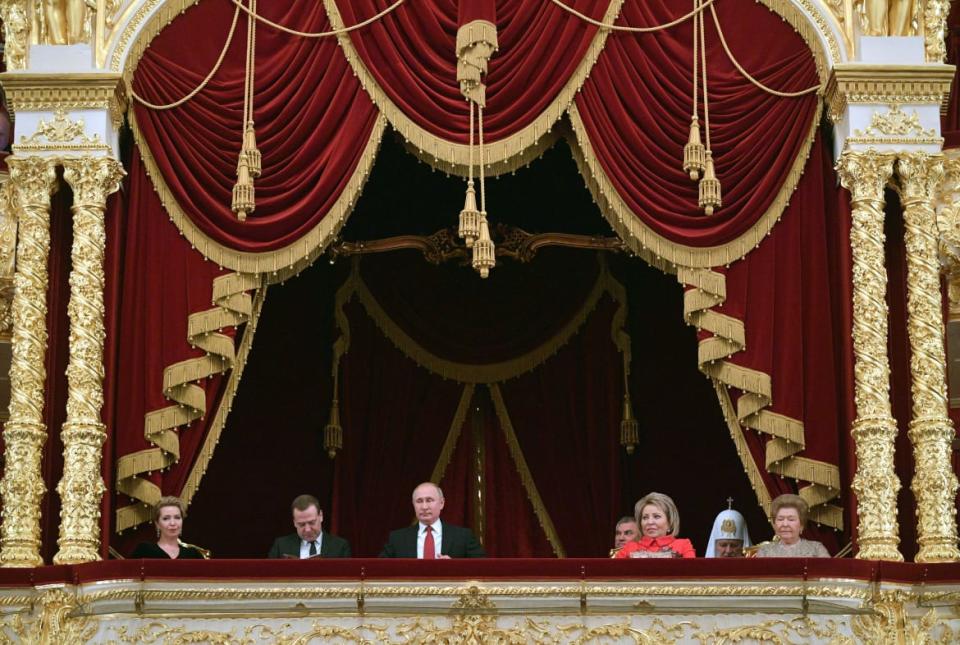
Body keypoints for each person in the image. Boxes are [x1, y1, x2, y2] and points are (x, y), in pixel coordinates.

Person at [380, 482, 485, 558]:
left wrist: (455, 567)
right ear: (413, 505)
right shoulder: (397, 539)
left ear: (441, 503)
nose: (424, 507)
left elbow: (482, 567)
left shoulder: (463, 536)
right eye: (419, 501)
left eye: (429, 500)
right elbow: (379, 569)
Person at [614, 492, 695, 559]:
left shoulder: (683, 545)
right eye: (645, 517)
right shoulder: (629, 547)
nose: (650, 522)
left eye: (656, 516)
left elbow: (692, 572)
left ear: (670, 522)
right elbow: (614, 573)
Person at [268, 494, 351, 558]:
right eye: (301, 524)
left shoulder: (340, 547)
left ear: (321, 516)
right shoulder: (281, 546)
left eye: (312, 522)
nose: (307, 529)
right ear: (294, 522)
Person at [755, 494, 829, 558]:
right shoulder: (764, 551)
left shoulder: (816, 549)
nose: (785, 524)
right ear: (774, 524)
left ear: (801, 524)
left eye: (791, 519)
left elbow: (828, 573)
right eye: (780, 519)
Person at [131, 496, 206, 559]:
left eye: (177, 517)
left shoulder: (193, 554)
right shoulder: (144, 550)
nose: (172, 523)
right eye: (166, 518)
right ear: (157, 524)